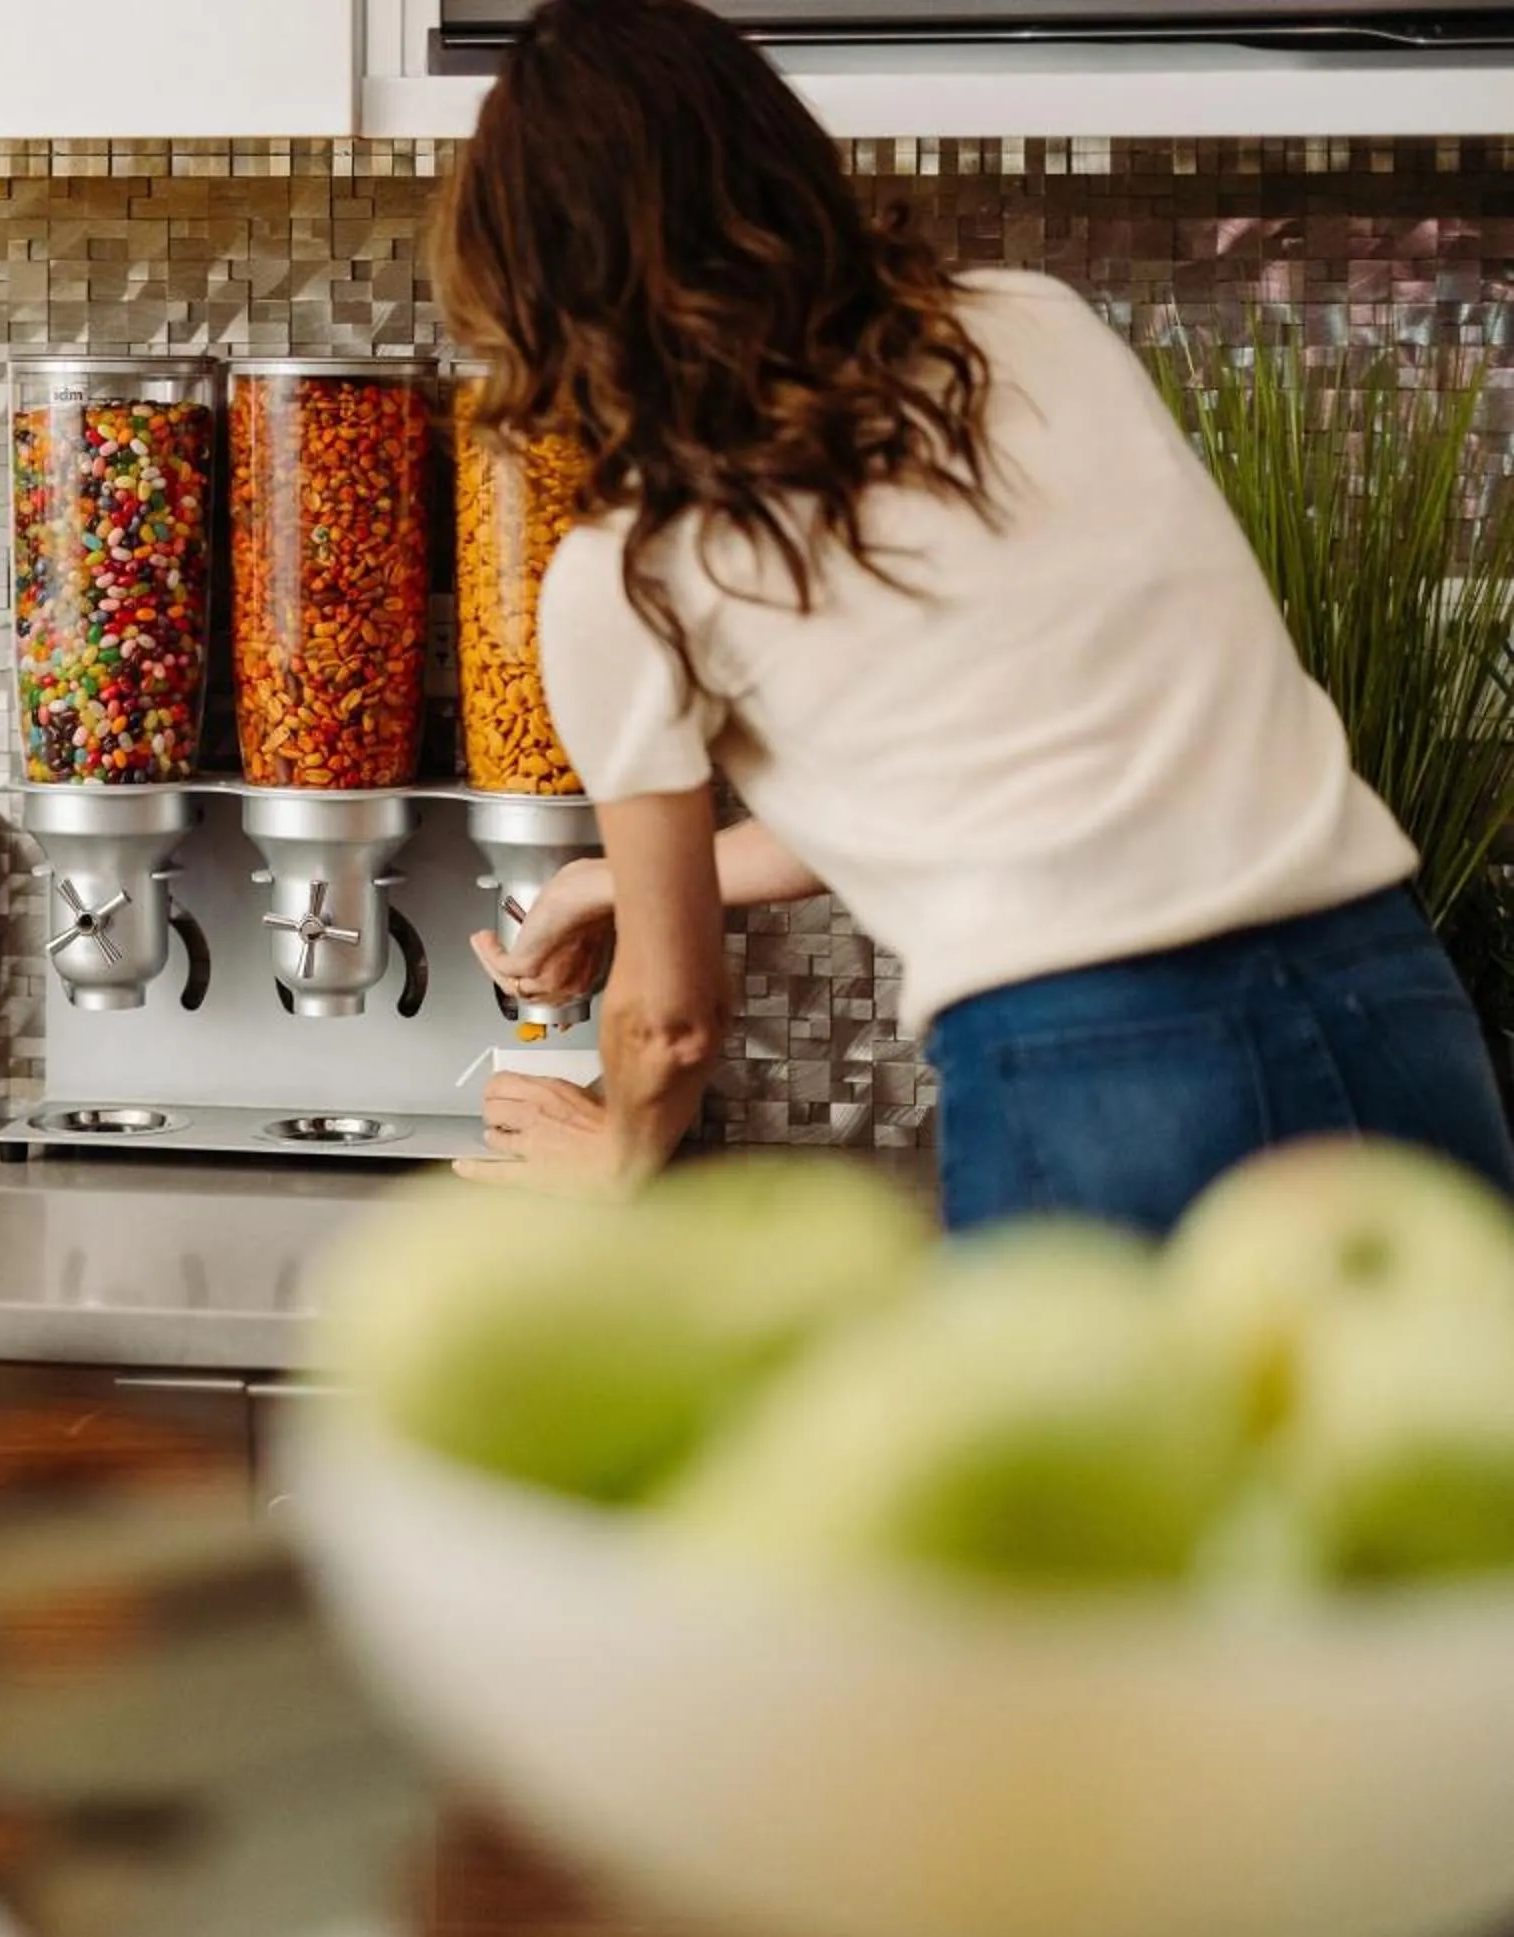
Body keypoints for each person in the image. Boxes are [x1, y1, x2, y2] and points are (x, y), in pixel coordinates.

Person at [439, 0, 1514, 1235]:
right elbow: (963, 777)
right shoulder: (1034, 324)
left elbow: (671, 1023)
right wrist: (606, 882)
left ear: (537, 289)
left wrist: (617, 1159)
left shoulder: (631, 567)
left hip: (1100, 1063)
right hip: (1384, 996)